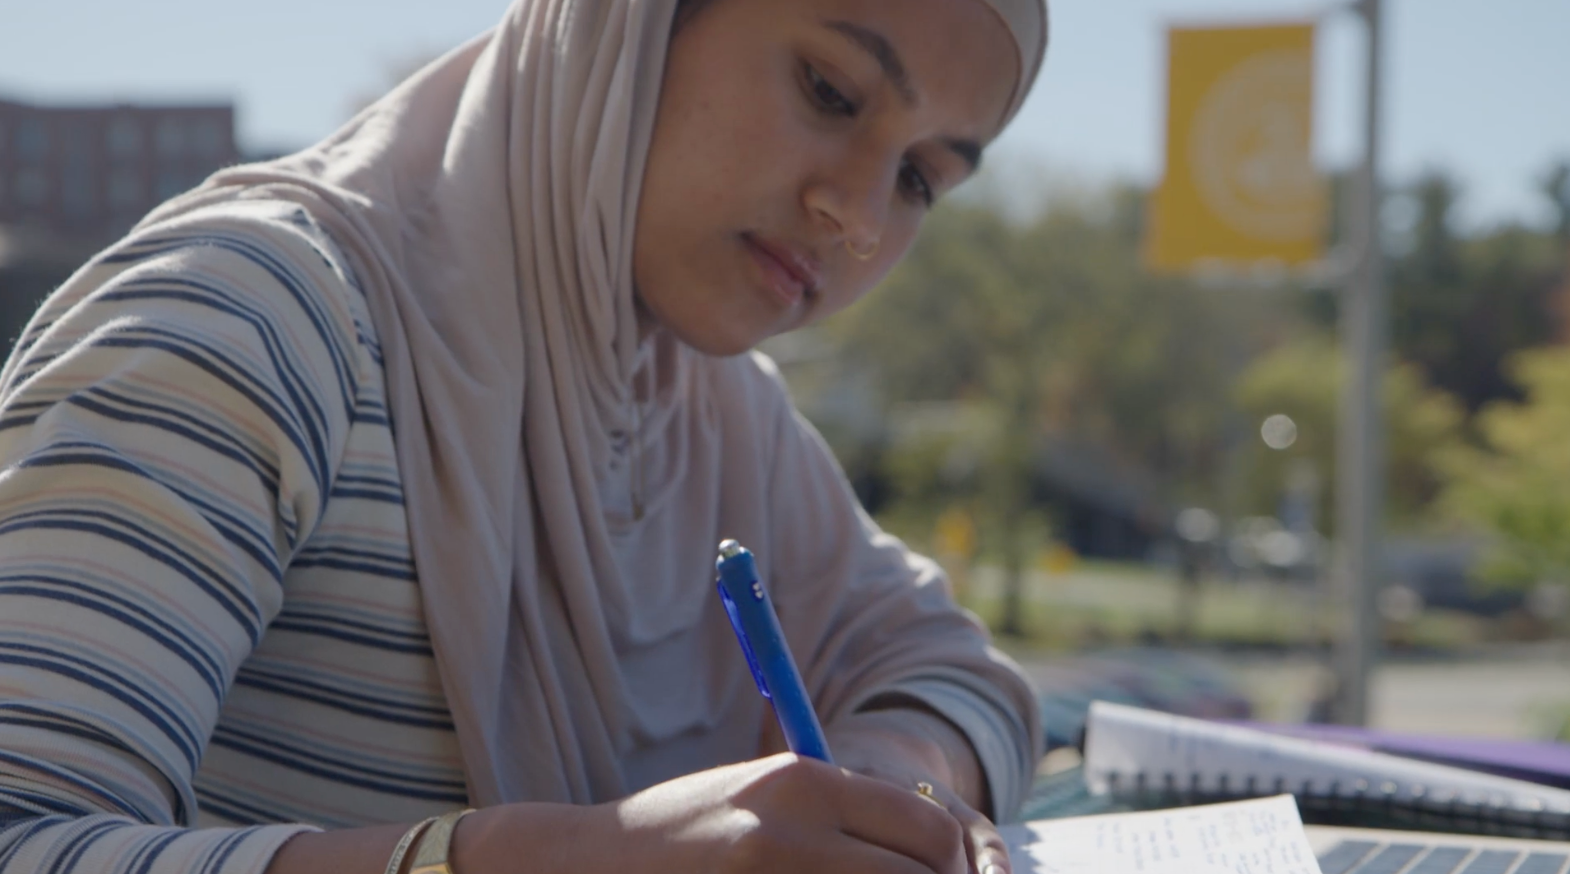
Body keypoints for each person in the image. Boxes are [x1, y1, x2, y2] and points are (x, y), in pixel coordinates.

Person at [0, 0, 1049, 871]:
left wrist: (888, 793)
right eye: (829, 90)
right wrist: (535, 857)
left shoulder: (716, 416)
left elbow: (962, 673)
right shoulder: (251, 324)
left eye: (920, 178)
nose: (859, 216)